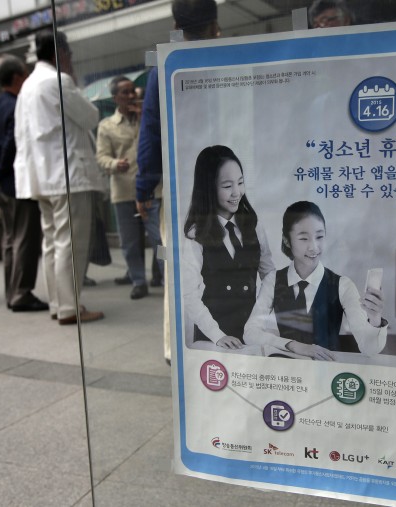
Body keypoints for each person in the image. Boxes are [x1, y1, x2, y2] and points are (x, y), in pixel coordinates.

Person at [136, 0, 220, 362]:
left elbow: (151, 132)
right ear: (215, 23)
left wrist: (143, 187)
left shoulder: (167, 65)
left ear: (176, 24)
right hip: (225, 181)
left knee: (179, 266)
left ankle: (176, 349)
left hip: (179, 183)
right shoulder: (229, 56)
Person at [14, 30, 104, 325]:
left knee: (52, 241)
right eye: (69, 54)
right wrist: (72, 77)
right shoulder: (59, 81)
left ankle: (58, 303)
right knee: (71, 242)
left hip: (39, 176)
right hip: (68, 174)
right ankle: (69, 307)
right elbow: (91, 117)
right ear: (60, 53)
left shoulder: (27, 86)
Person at [244, 201, 387, 360]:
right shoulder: (273, 281)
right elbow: (250, 333)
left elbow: (369, 349)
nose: (314, 247)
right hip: (287, 370)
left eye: (319, 237)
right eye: (304, 239)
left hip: (327, 373)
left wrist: (375, 319)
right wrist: (293, 345)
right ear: (286, 240)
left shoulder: (343, 285)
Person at [182, 145, 275, 349]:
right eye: (227, 186)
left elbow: (269, 275)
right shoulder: (195, 235)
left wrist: (260, 317)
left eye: (240, 183)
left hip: (251, 332)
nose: (237, 192)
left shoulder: (253, 224)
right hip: (214, 337)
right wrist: (217, 335)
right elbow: (189, 294)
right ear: (208, 188)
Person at [0, 54, 48, 313]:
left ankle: (12, 291)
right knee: (24, 239)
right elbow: (12, 142)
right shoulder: (15, 105)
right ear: (18, 77)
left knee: (9, 240)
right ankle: (22, 292)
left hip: (0, 185)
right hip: (15, 183)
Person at [96, 76, 148, 299]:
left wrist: (144, 116)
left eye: (132, 92)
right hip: (124, 190)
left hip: (150, 190)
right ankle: (138, 280)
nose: (130, 96)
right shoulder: (106, 126)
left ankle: (160, 275)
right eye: (125, 93)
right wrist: (115, 164)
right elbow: (101, 157)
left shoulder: (147, 118)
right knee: (130, 241)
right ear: (116, 98)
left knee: (158, 238)